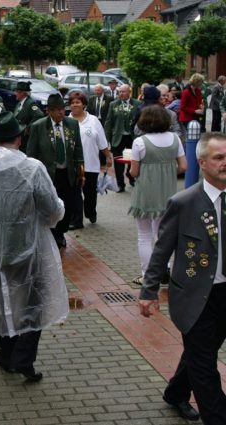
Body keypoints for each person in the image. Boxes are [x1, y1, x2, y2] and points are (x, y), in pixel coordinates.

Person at [0, 111, 68, 382]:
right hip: (27, 249)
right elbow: (52, 209)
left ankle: (7, 354)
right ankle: (22, 360)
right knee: (32, 304)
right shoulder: (32, 168)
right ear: (19, 139)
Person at [138, 132, 226, 423]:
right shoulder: (183, 202)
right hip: (194, 295)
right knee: (204, 364)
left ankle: (176, 392)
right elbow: (161, 251)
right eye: (219, 157)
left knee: (200, 352)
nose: (225, 163)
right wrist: (149, 291)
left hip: (224, 293)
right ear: (202, 163)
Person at [128, 105, 186, 286]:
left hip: (145, 194)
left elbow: (134, 172)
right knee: (161, 234)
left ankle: (147, 274)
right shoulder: (175, 139)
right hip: (168, 193)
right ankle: (165, 269)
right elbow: (183, 166)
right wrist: (167, 172)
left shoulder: (140, 142)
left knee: (144, 235)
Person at [26, 94, 85, 249]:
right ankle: (52, 234)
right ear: (49, 111)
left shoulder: (72, 124)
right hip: (48, 175)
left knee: (68, 205)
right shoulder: (38, 126)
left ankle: (61, 232)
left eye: (63, 109)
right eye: (57, 110)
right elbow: (31, 153)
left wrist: (81, 171)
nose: (61, 112)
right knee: (50, 205)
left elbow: (78, 148)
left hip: (67, 173)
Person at [68, 90, 112, 229]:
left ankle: (91, 212)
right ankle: (76, 220)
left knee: (90, 194)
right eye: (72, 103)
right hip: (73, 165)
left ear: (84, 104)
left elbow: (102, 141)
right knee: (74, 193)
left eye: (78, 102)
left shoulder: (93, 120)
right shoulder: (66, 121)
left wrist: (108, 156)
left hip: (90, 164)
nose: (75, 105)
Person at [104, 83, 140, 192]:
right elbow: (109, 122)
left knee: (132, 159)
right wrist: (106, 140)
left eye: (123, 92)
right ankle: (120, 184)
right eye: (119, 92)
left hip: (132, 137)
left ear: (129, 92)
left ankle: (131, 176)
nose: (121, 94)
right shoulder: (113, 104)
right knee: (118, 161)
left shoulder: (137, 104)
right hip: (118, 137)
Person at [12, 81, 44, 151]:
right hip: (19, 136)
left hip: (26, 139)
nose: (15, 94)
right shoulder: (20, 103)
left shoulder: (30, 103)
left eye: (17, 92)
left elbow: (39, 115)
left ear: (23, 93)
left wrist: (28, 127)